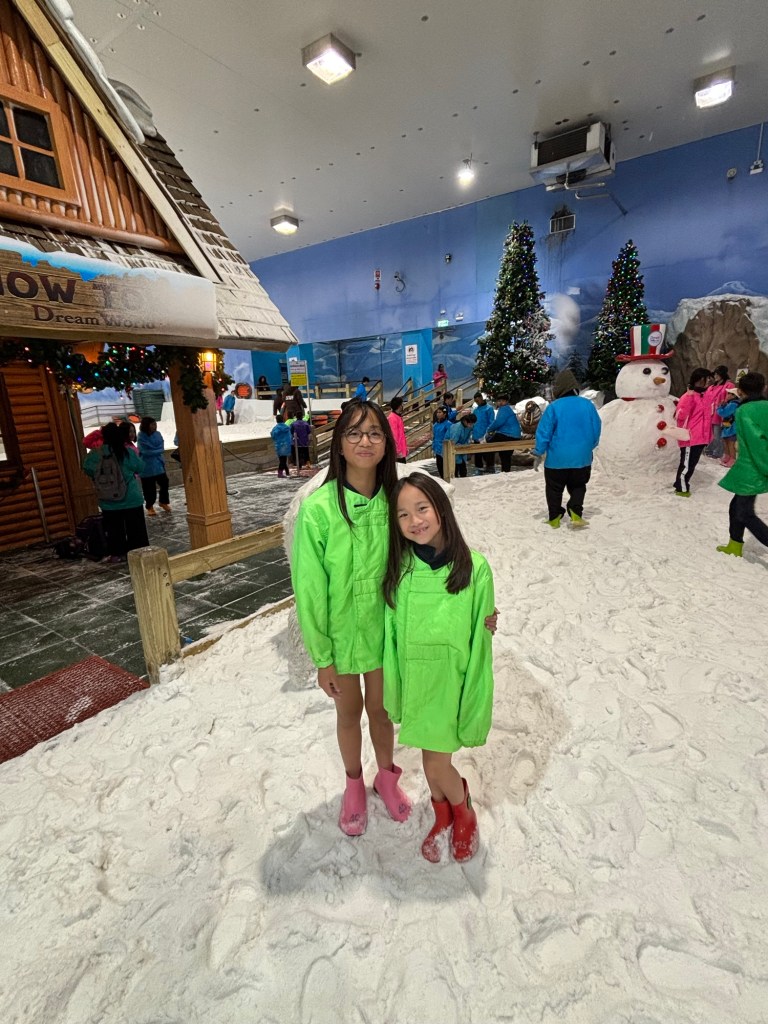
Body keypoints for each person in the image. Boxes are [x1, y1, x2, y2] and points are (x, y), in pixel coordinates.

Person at [290, 401, 412, 836]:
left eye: (375, 433)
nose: (365, 441)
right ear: (339, 444)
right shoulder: (320, 509)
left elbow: (433, 554)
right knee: (349, 712)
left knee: (381, 710)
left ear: (387, 443)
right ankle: (354, 784)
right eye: (355, 433)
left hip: (384, 632)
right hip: (341, 635)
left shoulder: (399, 501)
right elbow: (309, 588)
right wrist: (321, 655)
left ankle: (386, 774)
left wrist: (477, 603)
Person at [382, 473, 494, 863]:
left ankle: (462, 808)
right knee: (431, 758)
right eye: (403, 515)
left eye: (422, 508)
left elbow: (481, 643)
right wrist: (394, 689)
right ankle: (443, 811)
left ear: (441, 509)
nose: (415, 521)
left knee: (435, 760)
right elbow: (391, 636)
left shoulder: (475, 568)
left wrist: (475, 697)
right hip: (418, 682)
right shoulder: (402, 570)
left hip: (452, 683)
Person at [531, 369, 602, 528]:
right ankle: (576, 513)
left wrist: (538, 451)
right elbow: (596, 429)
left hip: (557, 459)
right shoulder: (588, 406)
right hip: (581, 459)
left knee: (554, 488)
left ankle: (554, 517)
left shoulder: (554, 407)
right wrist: (588, 446)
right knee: (578, 486)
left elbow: (544, 432)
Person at [716, 372, 768, 557]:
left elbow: (757, 443)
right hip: (752, 467)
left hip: (752, 469)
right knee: (736, 507)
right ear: (763, 388)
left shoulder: (744, 411)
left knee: (745, 513)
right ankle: (735, 544)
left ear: (740, 391)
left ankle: (736, 544)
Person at [83, 421, 148, 563]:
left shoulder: (96, 453)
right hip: (131, 497)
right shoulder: (126, 451)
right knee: (136, 530)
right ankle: (138, 554)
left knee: (114, 530)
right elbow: (140, 467)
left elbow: (87, 468)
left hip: (108, 500)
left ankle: (117, 554)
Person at [673, 367, 712, 496]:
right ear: (699, 380)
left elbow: (707, 417)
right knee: (687, 465)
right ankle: (681, 488)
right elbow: (680, 416)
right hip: (690, 438)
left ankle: (679, 482)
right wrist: (689, 397)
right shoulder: (687, 396)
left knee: (691, 464)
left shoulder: (706, 395)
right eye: (706, 380)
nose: (708, 383)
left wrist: (708, 436)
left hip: (700, 438)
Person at [137, 416, 171, 516]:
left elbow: (161, 447)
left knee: (165, 483)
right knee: (149, 489)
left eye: (155, 424)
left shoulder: (158, 434)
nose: (155, 426)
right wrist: (156, 451)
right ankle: (149, 506)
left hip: (158, 465)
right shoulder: (141, 436)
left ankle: (163, 502)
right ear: (146, 425)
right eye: (152, 424)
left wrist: (153, 450)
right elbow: (144, 451)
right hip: (147, 467)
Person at [486, 396, 522, 473]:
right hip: (515, 436)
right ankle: (506, 471)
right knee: (506, 455)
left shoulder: (503, 409)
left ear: (506, 402)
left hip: (507, 435)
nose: (500, 402)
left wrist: (489, 430)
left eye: (503, 401)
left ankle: (490, 466)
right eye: (499, 401)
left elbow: (498, 422)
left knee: (488, 444)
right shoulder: (508, 409)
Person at [705, 365, 734, 460]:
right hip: (710, 413)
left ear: (723, 374)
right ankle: (710, 450)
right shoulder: (712, 386)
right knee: (711, 434)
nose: (716, 376)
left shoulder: (729, 385)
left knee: (719, 435)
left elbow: (731, 399)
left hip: (721, 414)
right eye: (715, 374)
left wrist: (724, 406)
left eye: (718, 374)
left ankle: (718, 452)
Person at [471, 391, 495, 473]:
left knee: (487, 453)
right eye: (476, 402)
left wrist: (487, 434)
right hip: (476, 435)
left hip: (485, 435)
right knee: (477, 454)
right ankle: (479, 469)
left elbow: (491, 422)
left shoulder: (489, 408)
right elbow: (472, 423)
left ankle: (490, 467)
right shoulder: (476, 410)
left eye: (478, 401)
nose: (477, 403)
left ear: (481, 398)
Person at [716, 387, 740, 468]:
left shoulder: (733, 404)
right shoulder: (731, 403)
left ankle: (732, 459)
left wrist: (720, 407)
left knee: (730, 443)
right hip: (728, 426)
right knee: (726, 442)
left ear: (734, 396)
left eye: (729, 393)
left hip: (732, 427)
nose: (727, 395)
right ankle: (727, 457)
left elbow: (723, 413)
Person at [448, 412, 477, 478]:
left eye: (473, 424)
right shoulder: (457, 428)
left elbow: (467, 437)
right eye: (470, 424)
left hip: (461, 450)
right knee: (454, 471)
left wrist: (467, 445)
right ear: (465, 421)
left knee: (463, 470)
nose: (471, 426)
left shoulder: (468, 426)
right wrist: (462, 447)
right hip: (452, 450)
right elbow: (453, 442)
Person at [432, 406, 453, 480]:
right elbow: (434, 437)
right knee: (440, 468)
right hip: (438, 450)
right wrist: (433, 448)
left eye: (440, 412)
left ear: (444, 414)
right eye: (437, 412)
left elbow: (450, 438)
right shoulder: (435, 425)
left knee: (446, 469)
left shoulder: (448, 424)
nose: (438, 414)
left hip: (445, 451)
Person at [388, 396, 408, 463]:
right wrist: (398, 450)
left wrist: (405, 448)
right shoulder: (392, 418)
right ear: (399, 406)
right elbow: (394, 436)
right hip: (397, 453)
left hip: (401, 451)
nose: (403, 406)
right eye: (402, 404)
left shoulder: (398, 416)